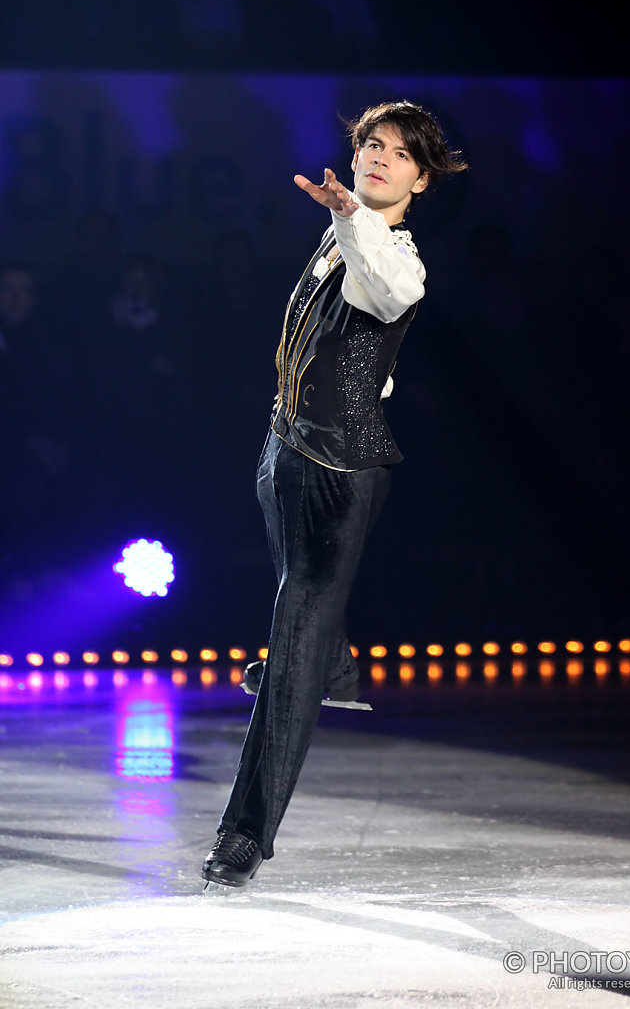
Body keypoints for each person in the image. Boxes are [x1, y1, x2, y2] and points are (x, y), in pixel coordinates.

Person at [202, 101, 466, 888]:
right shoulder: (335, 233)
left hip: (339, 476)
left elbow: (386, 293)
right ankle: (334, 665)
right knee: (302, 619)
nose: (379, 159)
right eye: (370, 146)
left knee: (291, 652)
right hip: (282, 448)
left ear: (421, 178)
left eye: (398, 154)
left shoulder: (396, 254)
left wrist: (353, 219)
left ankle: (245, 835)